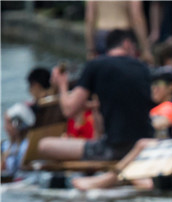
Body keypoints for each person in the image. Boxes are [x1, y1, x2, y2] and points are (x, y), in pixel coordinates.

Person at [38, 29, 153, 162]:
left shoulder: (96, 65)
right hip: (146, 142)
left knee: (44, 145)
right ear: (127, 44)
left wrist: (62, 84)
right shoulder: (143, 68)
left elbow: (69, 109)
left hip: (114, 148)